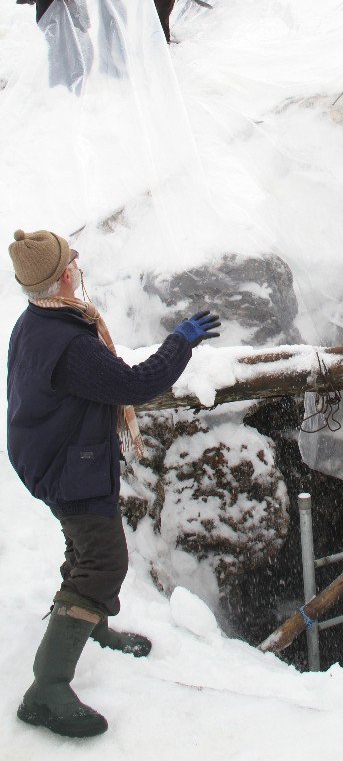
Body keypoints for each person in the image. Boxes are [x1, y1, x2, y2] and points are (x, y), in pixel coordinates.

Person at [7, 228, 221, 739]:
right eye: (73, 260)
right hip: (67, 464)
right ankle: (47, 686)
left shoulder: (38, 321)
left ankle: (92, 624)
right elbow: (133, 385)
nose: (78, 265)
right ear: (62, 275)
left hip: (53, 455)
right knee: (103, 561)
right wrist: (180, 342)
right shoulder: (68, 341)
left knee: (85, 549)